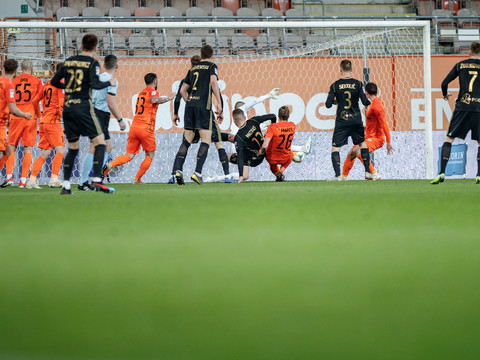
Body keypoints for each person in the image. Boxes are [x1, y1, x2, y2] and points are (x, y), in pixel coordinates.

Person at [51, 33, 117, 195]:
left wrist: (70, 90)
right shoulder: (92, 63)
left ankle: (66, 186)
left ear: (81, 46)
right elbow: (95, 84)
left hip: (68, 108)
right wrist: (109, 82)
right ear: (95, 48)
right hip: (83, 108)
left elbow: (54, 82)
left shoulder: (68, 61)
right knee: (100, 143)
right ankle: (96, 181)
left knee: (73, 148)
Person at [102, 73, 173, 183]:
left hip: (134, 127)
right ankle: (137, 179)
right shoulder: (152, 92)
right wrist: (169, 98)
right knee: (150, 154)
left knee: (129, 155)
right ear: (155, 82)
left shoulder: (141, 93)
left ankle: (110, 165)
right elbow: (154, 100)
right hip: (146, 128)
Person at [172, 44, 222, 185]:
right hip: (203, 107)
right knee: (205, 140)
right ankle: (197, 173)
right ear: (212, 55)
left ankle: (178, 170)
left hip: (190, 106)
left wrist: (190, 101)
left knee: (186, 141)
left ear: (201, 55)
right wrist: (218, 103)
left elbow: (182, 91)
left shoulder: (192, 68)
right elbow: (213, 82)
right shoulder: (212, 66)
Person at [432, 41, 480, 184]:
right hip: (478, 107)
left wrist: (445, 95)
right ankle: (479, 175)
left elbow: (444, 83)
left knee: (449, 139)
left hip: (463, 106)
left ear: (469, 52)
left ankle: (441, 173)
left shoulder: (460, 65)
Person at [79, 54, 126, 190]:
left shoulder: (97, 78)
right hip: (99, 115)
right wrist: (120, 120)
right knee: (95, 147)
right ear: (117, 66)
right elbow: (110, 103)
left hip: (92, 112)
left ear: (104, 65)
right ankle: (87, 181)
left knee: (107, 146)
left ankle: (96, 178)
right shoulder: (112, 81)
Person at [325, 59, 371, 181]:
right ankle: (367, 172)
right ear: (351, 69)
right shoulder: (358, 84)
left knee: (336, 148)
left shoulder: (335, 85)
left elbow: (328, 104)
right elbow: (365, 102)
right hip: (356, 119)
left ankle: (338, 176)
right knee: (362, 144)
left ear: (340, 69)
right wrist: (371, 101)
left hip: (342, 120)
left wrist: (337, 101)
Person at [341, 82, 393, 180]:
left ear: (366, 93)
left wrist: (388, 141)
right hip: (368, 136)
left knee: (358, 151)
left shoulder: (376, 105)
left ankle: (373, 174)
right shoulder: (371, 104)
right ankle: (343, 178)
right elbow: (373, 123)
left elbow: (384, 123)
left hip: (376, 138)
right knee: (351, 153)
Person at [4, 60, 43, 188]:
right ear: (32, 68)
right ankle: (23, 181)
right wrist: (39, 116)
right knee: (28, 148)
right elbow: (37, 101)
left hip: (16, 116)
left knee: (11, 146)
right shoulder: (37, 81)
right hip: (30, 118)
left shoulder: (13, 81)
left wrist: (9, 115)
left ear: (20, 69)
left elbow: (9, 100)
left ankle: (9, 177)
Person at [26, 63, 66, 189]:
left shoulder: (47, 84)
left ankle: (31, 180)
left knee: (45, 152)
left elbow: (34, 101)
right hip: (53, 122)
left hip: (44, 122)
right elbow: (61, 103)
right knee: (60, 150)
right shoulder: (60, 86)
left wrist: (39, 116)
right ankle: (54, 179)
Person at [0, 59, 32, 186]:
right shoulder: (9, 84)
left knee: (8, 150)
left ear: (3, 68)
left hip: (6, 122)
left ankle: (9, 178)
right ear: (15, 70)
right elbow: (13, 109)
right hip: (2, 123)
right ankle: (23, 180)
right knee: (3, 152)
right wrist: (25, 115)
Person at [228, 108, 277, 183]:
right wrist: (271, 128)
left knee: (225, 156)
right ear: (244, 117)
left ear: (234, 121)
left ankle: (225, 177)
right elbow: (273, 116)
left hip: (254, 160)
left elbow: (240, 157)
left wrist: (241, 176)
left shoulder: (239, 136)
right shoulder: (254, 120)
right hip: (264, 153)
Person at [259, 106, 296, 181]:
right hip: (286, 157)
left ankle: (278, 173)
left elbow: (265, 144)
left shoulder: (273, 127)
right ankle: (281, 171)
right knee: (291, 154)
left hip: (272, 158)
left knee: (272, 164)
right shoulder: (292, 125)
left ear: (278, 116)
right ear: (288, 116)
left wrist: (260, 153)